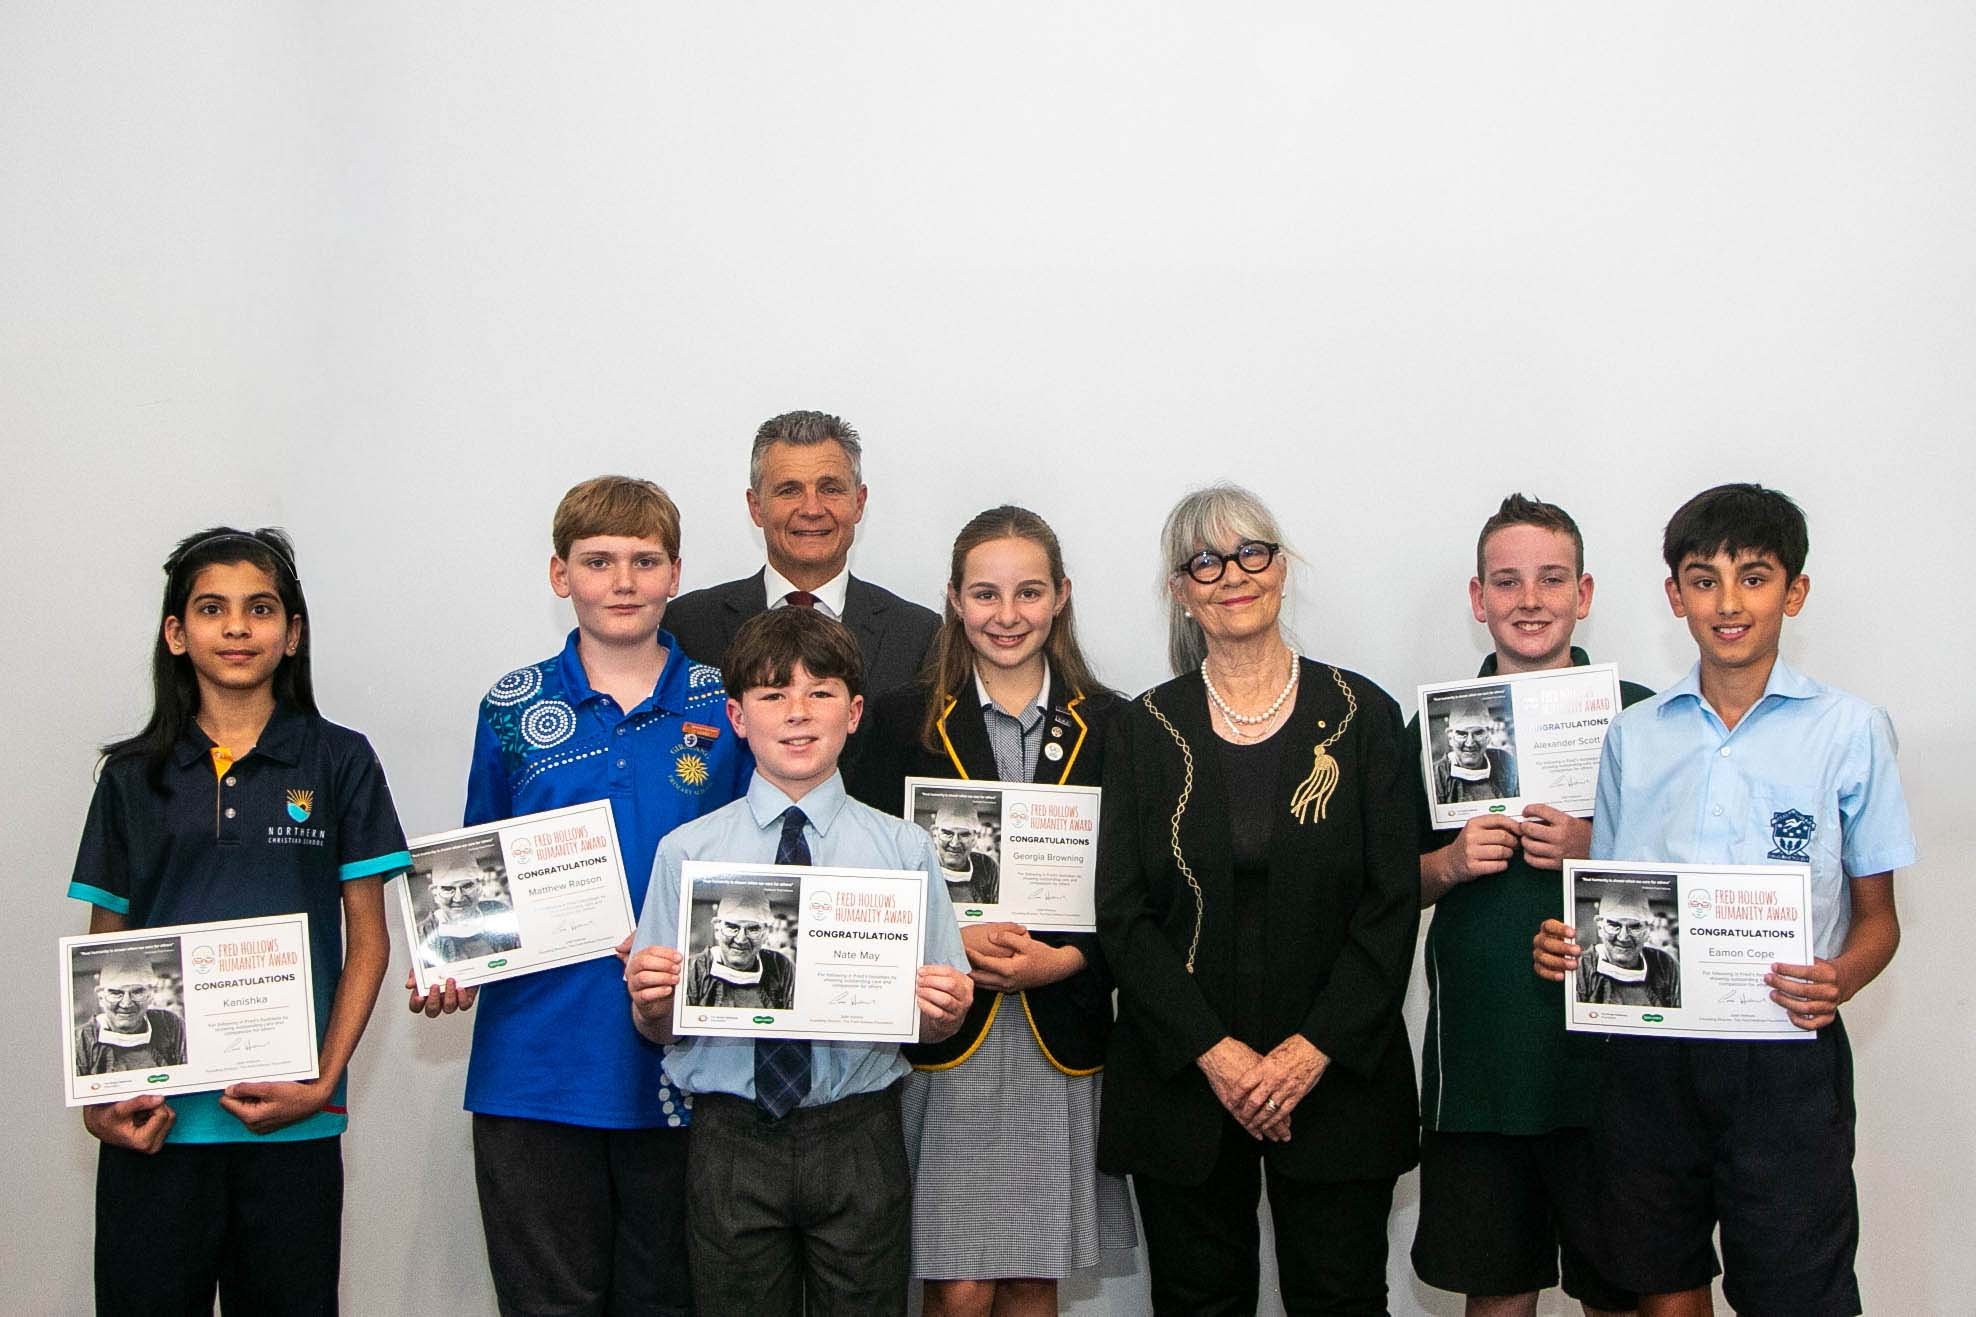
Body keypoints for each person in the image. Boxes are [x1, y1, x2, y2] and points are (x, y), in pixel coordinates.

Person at [1534, 483, 1915, 1317]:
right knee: (1663, 1281)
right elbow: (1611, 897)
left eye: (1755, 576)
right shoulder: (1635, 735)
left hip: (1784, 1053)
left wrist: (1840, 977)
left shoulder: (1850, 731)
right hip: (1649, 1060)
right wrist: (1568, 947)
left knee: (1796, 1291)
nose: (1729, 601)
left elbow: (1880, 919)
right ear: (1675, 596)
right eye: (1704, 579)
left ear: (1795, 590)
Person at [409, 476, 751, 1317]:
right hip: (536, 1064)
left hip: (684, 1067)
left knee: (667, 1300)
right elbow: (473, 862)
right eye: (598, 561)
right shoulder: (513, 707)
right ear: (561, 575)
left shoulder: (727, 701)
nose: (623, 581)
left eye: (644, 560)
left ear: (676, 573)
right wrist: (451, 956)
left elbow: (757, 861)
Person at [1095, 485, 1419, 1315]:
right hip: (1186, 1084)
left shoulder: (1363, 715)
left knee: (1342, 1299)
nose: (1231, 574)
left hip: (1338, 1079)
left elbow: (1390, 903)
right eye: (1205, 559)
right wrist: (1219, 1054)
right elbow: (1124, 915)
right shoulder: (1143, 728)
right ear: (1180, 587)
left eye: (1251, 553)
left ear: (1281, 567)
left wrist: (1309, 1052)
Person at [67, 527, 406, 1313]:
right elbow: (105, 940)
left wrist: (321, 1083)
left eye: (260, 609)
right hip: (155, 1124)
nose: (236, 627)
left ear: (291, 634)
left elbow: (371, 941)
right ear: (177, 633)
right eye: (212, 608)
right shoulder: (130, 776)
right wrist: (100, 1094)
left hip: (290, 1124)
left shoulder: (340, 760)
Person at [626, 607, 974, 1317]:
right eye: (771, 693)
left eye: (820, 692)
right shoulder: (687, 853)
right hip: (729, 1134)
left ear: (853, 712)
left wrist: (946, 1010)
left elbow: (934, 1025)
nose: (796, 712)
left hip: (858, 1130)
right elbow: (659, 1027)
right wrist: (651, 998)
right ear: (736, 715)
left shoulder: (904, 851)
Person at [848, 505, 1135, 1317]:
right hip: (947, 1030)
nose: (1007, 615)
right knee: (958, 1284)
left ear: (1061, 597)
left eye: (1029, 592)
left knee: (1031, 1279)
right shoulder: (901, 721)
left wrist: (1071, 958)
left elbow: (1139, 883)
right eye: (985, 594)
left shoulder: (1115, 723)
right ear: (952, 599)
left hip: (1058, 1032)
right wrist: (945, 934)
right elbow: (861, 867)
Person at [1409, 494, 1649, 1317]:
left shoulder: (1645, 718)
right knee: (1499, 1287)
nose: (1530, 600)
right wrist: (1447, 861)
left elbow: (1694, 876)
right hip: (1483, 1066)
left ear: (1584, 593)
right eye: (1506, 582)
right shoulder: (1433, 727)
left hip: (1614, 1071)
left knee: (1622, 1290)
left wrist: (1594, 845)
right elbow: (1379, 889)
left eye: (1551, 579)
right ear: (1479, 601)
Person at [663, 409, 940, 703]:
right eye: (789, 490)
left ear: (859, 503)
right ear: (756, 507)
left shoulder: (918, 635)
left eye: (830, 489)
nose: (812, 509)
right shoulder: (688, 626)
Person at [75, 954, 189, 1076]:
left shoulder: (170, 1025)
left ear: (150, 995)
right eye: (116, 993)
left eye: (137, 992)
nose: (126, 1003)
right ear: (100, 997)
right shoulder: (80, 1042)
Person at [684, 890, 796, 1010]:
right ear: (717, 929)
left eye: (753, 929)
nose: (741, 939)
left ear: (765, 933)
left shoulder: (781, 967)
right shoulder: (692, 971)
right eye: (732, 927)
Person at [1574, 889, 1679, 1007]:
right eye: (1614, 925)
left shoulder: (1665, 965)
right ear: (1600, 927)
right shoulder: (1581, 968)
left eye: (1635, 927)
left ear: (1647, 930)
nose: (1623, 938)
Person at [414, 850, 521, 966]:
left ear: (479, 888)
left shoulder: (498, 912)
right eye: (448, 889)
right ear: (435, 893)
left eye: (467, 886)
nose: (459, 898)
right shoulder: (422, 935)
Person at [1433, 699, 1520, 804]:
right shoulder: (1437, 775)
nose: (1470, 743)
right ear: (1450, 737)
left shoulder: (1504, 762)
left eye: (1478, 733)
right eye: (1462, 733)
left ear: (1488, 735)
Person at [928, 797, 1000, 906]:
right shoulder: (923, 865)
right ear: (934, 835)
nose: (955, 843)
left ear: (974, 838)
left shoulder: (987, 867)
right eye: (947, 833)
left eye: (964, 834)